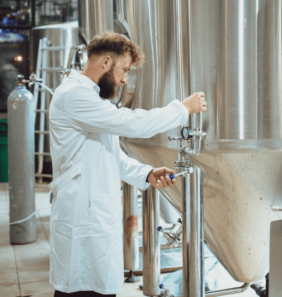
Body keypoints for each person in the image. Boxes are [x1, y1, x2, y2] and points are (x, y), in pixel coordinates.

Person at [48, 32, 207, 296]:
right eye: (124, 70)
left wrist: (146, 173)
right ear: (107, 62)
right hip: (81, 217)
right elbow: (131, 123)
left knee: (98, 288)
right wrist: (181, 109)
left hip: (94, 214)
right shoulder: (74, 95)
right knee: (79, 290)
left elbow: (108, 154)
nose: (124, 80)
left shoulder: (90, 98)